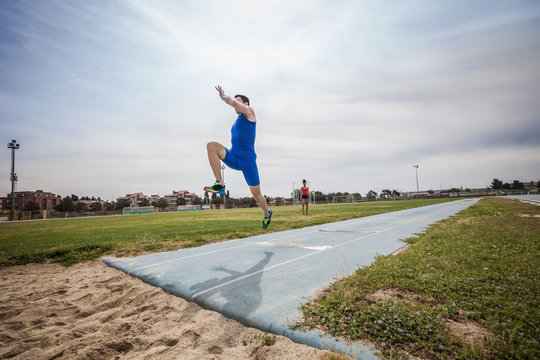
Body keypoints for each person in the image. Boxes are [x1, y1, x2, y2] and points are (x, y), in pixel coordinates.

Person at [204, 85, 273, 229]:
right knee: (211, 146)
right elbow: (236, 141)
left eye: (238, 101)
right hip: (234, 156)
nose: (235, 103)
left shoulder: (250, 113)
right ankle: (219, 184)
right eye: (235, 100)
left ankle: (267, 213)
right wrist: (226, 153)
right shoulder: (235, 123)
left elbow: (233, 103)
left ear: (245, 104)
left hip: (248, 161)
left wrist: (224, 97)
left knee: (257, 195)